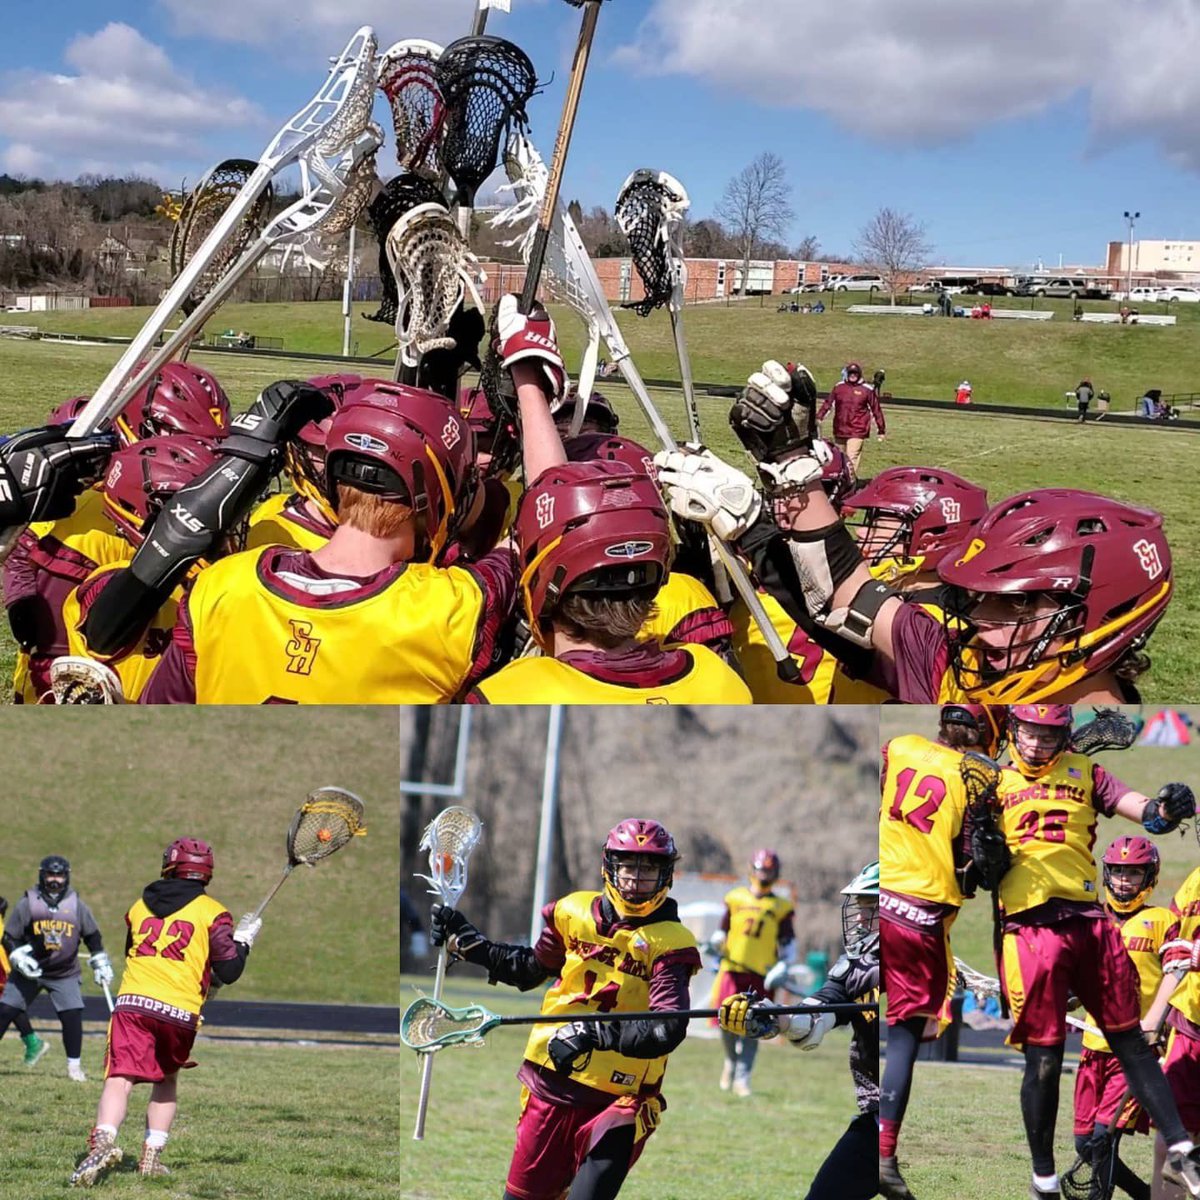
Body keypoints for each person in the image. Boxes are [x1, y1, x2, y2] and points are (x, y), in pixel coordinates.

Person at [653, 360, 1176, 703]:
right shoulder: (956, 658)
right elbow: (843, 595)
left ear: (1108, 616)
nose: (980, 623)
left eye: (1017, 606)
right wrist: (788, 464)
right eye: (979, 599)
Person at [135, 380, 515, 703]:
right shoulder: (447, 611)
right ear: (436, 496)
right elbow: (544, 535)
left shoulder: (220, 586)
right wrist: (528, 379)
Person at [985, 705, 1200, 1198]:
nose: (1038, 744)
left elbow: (1148, 813)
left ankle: (1182, 1149)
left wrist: (1169, 806)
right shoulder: (993, 781)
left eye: (1049, 734)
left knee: (1130, 1041)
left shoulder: (1086, 771)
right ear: (1015, 730)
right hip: (1029, 925)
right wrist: (981, 857)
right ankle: (1043, 1176)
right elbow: (965, 864)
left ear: (1064, 735)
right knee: (1043, 1057)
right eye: (1030, 733)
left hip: (1087, 921)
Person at [429, 819, 703, 1200]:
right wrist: (471, 944)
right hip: (551, 1081)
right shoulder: (571, 912)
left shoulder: (672, 942)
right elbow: (530, 969)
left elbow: (666, 1029)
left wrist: (592, 1032)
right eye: (629, 868)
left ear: (666, 875)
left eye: (649, 869)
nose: (637, 880)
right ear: (609, 868)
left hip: (619, 1097)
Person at [68, 838, 257, 1185]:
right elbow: (228, 971)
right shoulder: (213, 912)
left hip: (134, 1004)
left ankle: (104, 1140)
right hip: (178, 1010)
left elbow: (136, 953)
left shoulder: (139, 906)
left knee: (120, 1078)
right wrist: (242, 944)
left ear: (169, 865)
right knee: (167, 1079)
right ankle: (151, 1158)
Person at [878, 704, 1006, 1200]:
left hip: (875, 900)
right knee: (909, 1032)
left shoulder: (901, 746)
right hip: (919, 912)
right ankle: (883, 1154)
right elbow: (977, 861)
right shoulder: (975, 776)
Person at [718, 863, 880, 1200]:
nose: (862, 919)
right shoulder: (857, 967)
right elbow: (819, 1014)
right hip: (877, 1122)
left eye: (871, 908)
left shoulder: (931, 966)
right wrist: (776, 1018)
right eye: (861, 908)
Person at [1071, 836, 1172, 1200]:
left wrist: (1161, 1027)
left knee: (1103, 1139)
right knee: (1085, 1143)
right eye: (1117, 872)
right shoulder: (1090, 917)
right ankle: (1145, 1194)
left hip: (1132, 1053)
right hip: (1091, 1046)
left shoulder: (1164, 922)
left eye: (1133, 873)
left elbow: (1179, 982)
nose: (1124, 880)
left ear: (1149, 876)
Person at [0, 856, 110, 1081]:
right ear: (42, 875)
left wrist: (99, 958)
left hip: (64, 972)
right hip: (29, 971)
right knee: (5, 1011)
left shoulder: (76, 904)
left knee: (71, 1016)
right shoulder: (29, 902)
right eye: (51, 875)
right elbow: (10, 935)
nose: (55, 880)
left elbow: (92, 935)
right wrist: (18, 955)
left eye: (59, 875)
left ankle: (74, 1067)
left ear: (66, 876)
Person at [710, 848, 796, 1097]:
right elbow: (723, 929)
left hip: (760, 974)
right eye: (761, 869)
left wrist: (785, 964)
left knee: (753, 1027)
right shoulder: (735, 897)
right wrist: (716, 941)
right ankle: (730, 1061)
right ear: (752, 869)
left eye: (769, 870)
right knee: (726, 1022)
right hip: (732, 969)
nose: (764, 874)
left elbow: (789, 942)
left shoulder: (781, 906)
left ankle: (742, 1079)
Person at [0, 895, 47, 1066]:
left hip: (4, 973)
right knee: (9, 1008)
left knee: (8, 1007)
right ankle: (33, 1042)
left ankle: (33, 1043)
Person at [816, 361, 885, 477]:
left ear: (859, 374)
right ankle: (839, 484)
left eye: (855, 373)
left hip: (857, 431)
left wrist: (881, 429)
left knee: (850, 459)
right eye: (851, 373)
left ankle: (850, 483)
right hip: (840, 430)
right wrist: (818, 418)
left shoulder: (866, 390)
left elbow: (876, 410)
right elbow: (828, 404)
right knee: (839, 460)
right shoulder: (839, 387)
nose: (853, 375)